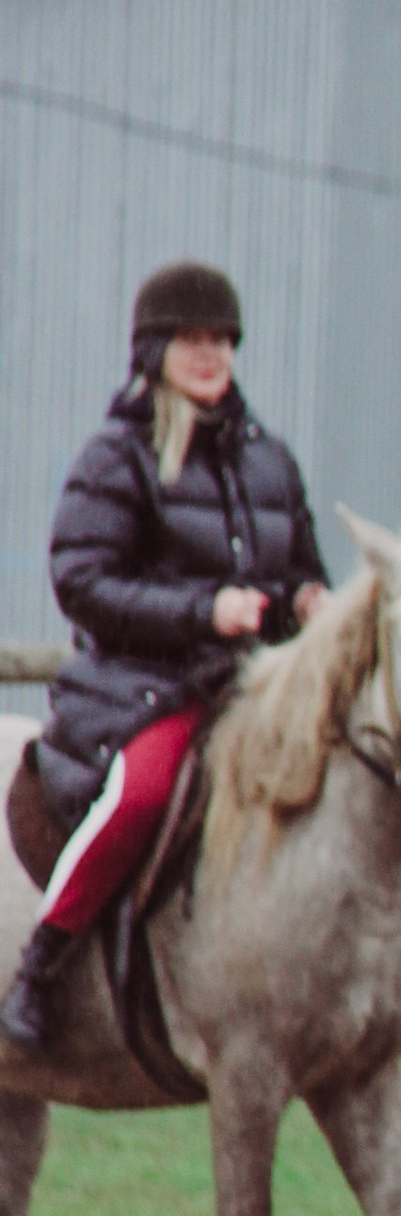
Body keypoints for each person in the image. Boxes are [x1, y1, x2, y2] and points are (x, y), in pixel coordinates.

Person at [2, 261, 329, 1055]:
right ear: (154, 350)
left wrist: (310, 601)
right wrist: (200, 614)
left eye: (220, 338)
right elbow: (81, 582)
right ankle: (42, 967)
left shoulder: (270, 460)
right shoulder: (117, 457)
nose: (209, 352)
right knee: (143, 794)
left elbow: (298, 571)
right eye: (190, 338)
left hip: (250, 687)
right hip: (142, 688)